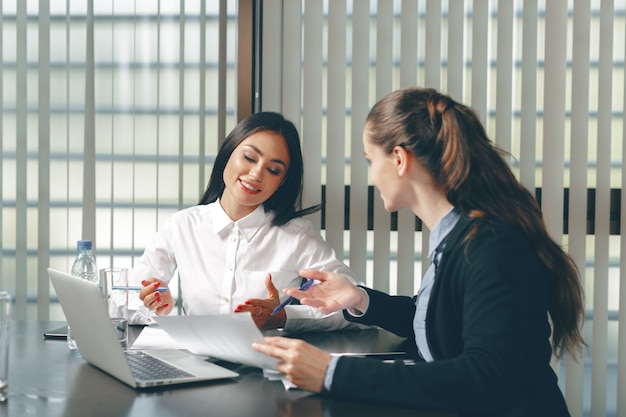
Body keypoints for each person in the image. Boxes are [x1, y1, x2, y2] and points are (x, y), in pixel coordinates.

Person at [252, 87, 585, 416]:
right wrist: (358, 298)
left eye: (370, 160)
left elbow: (485, 375)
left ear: (398, 159)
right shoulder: (458, 235)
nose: (371, 175)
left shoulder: (492, 244)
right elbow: (437, 322)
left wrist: (331, 373)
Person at [130, 111, 362, 332]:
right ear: (229, 152)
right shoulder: (183, 226)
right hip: (196, 364)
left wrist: (283, 316)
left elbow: (355, 307)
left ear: (282, 182)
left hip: (264, 365)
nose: (256, 174)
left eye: (273, 170)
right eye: (249, 157)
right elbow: (123, 300)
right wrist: (153, 303)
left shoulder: (298, 236)